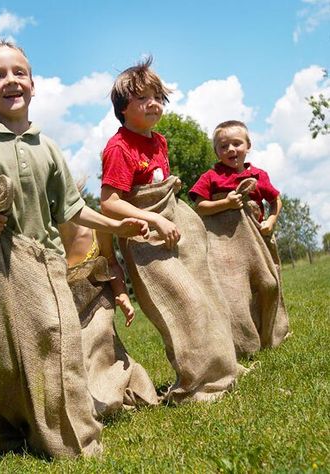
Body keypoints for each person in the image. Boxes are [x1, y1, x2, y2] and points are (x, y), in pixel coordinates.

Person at [0, 41, 149, 458]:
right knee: (6, 355)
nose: (10, 81)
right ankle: (3, 429)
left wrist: (114, 223)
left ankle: (68, 429)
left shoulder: (48, 147)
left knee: (59, 339)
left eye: (18, 72)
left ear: (33, 85)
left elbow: (71, 209)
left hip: (46, 260)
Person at [100, 57, 240, 404]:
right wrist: (156, 220)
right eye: (143, 99)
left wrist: (172, 217)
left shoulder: (159, 141)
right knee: (183, 304)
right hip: (145, 241)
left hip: (173, 233)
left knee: (205, 295)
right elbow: (110, 202)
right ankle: (198, 384)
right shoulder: (119, 148)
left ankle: (223, 366)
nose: (153, 104)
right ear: (122, 109)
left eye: (157, 97)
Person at [189, 120, 290, 356]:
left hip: (258, 240)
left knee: (269, 284)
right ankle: (244, 345)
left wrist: (271, 221)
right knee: (235, 294)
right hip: (225, 246)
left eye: (237, 143)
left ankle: (272, 334)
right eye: (224, 146)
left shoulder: (258, 175)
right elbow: (200, 207)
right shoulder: (211, 177)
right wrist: (226, 203)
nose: (231, 150)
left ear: (248, 145)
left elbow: (275, 200)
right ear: (216, 151)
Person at [58, 181, 159, 417]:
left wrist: (122, 294)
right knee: (73, 356)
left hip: (97, 297)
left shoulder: (98, 228)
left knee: (100, 340)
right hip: (65, 304)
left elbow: (111, 262)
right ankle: (80, 397)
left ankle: (107, 392)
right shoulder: (48, 234)